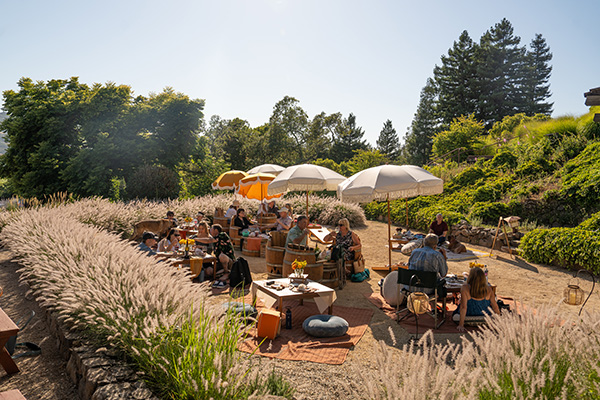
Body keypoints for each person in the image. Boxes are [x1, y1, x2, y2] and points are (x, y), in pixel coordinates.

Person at [454, 267, 500, 332]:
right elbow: (495, 307)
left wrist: (461, 325)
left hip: (468, 314)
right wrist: (499, 322)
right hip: (484, 315)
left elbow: (463, 307)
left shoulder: (465, 288)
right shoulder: (488, 289)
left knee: (455, 315)